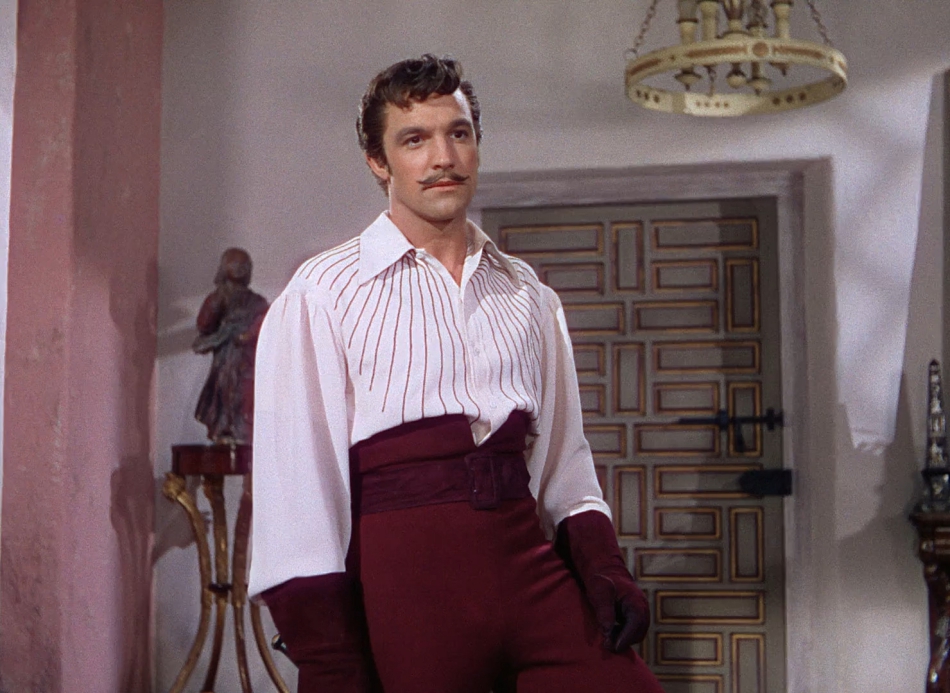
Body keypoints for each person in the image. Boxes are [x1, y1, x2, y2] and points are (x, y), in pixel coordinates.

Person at [248, 54, 664, 693]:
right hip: (407, 588)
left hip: (527, 569)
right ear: (379, 161)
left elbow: (563, 459)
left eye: (458, 133)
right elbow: (297, 485)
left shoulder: (528, 294)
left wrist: (604, 566)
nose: (443, 157)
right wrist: (329, 658)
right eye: (415, 139)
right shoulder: (322, 292)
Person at [193, 247, 269, 445]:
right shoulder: (219, 297)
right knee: (226, 392)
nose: (241, 267)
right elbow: (204, 326)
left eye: (245, 264)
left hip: (249, 359)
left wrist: (249, 334)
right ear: (225, 267)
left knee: (247, 394)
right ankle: (224, 428)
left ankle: (243, 430)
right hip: (227, 360)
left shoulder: (257, 301)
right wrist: (225, 329)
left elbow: (266, 324)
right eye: (235, 263)